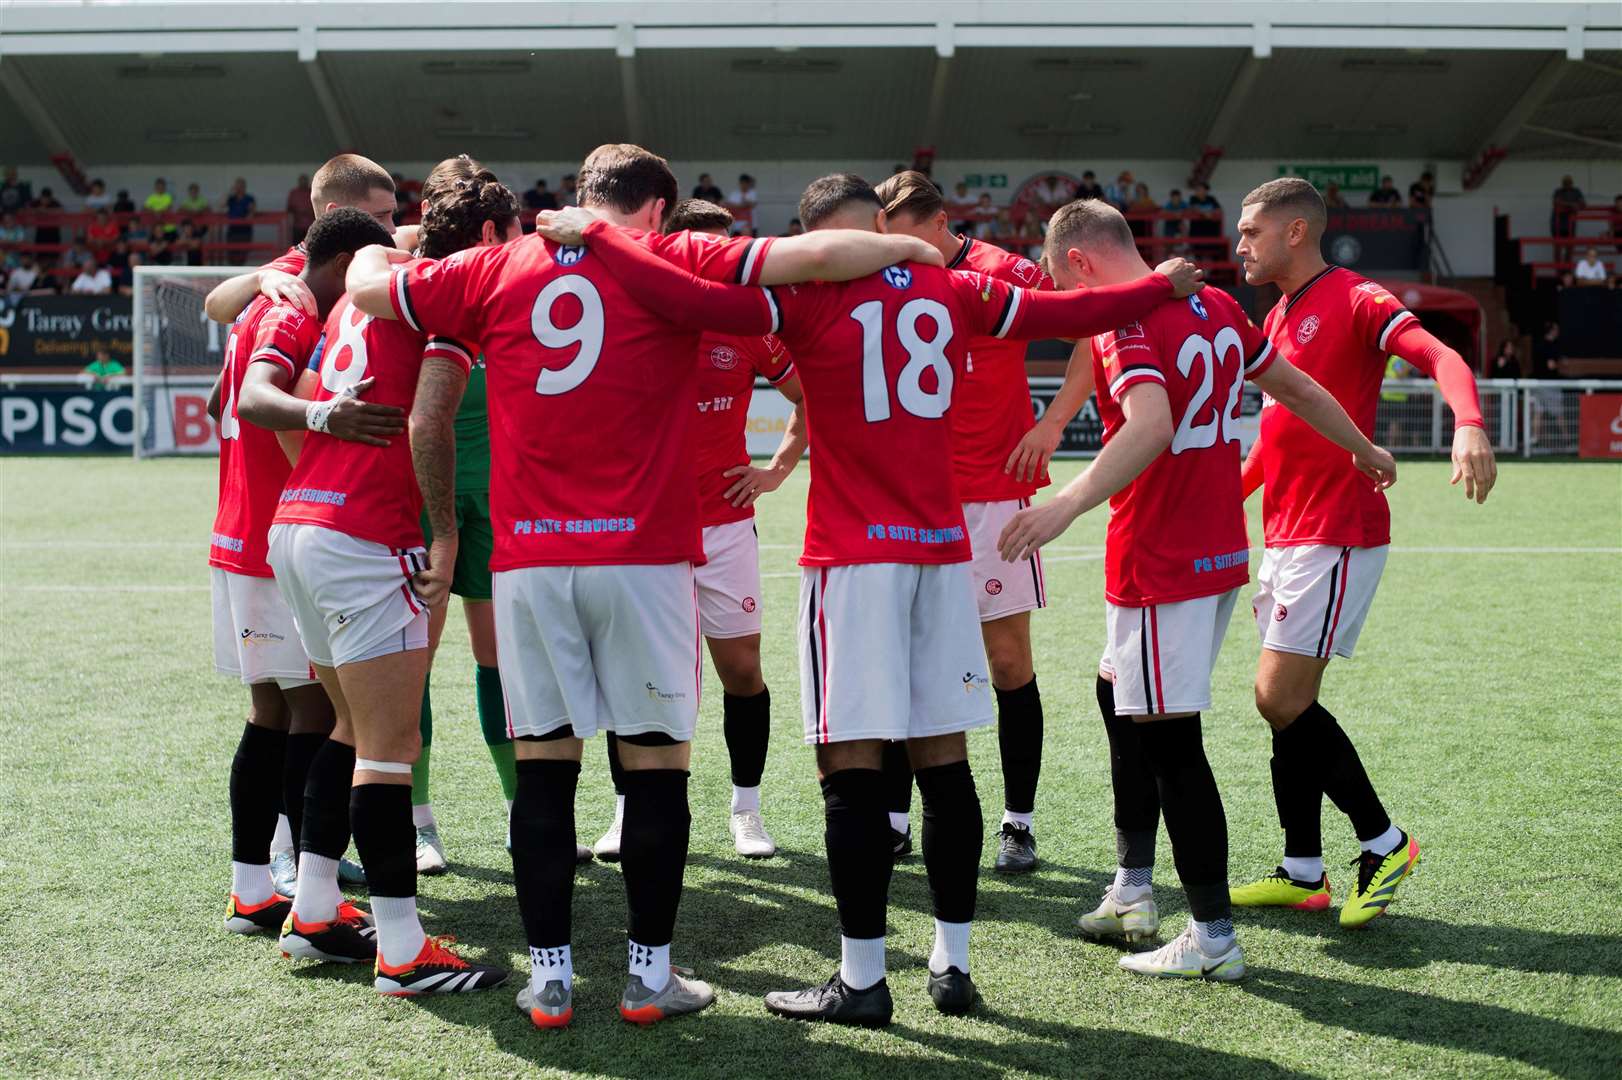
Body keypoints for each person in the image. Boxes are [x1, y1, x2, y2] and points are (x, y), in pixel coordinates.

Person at [373, 141, 937, 1029]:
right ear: (658, 210)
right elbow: (821, 255)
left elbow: (373, 285)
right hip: (642, 559)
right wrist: (910, 249)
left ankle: (550, 981)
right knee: (657, 768)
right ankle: (648, 977)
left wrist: (390, 239)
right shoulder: (671, 257)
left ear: (579, 196)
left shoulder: (492, 266)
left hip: (531, 564)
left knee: (548, 773)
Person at [640, 175, 1199, 1025]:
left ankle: (862, 982)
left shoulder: (802, 301)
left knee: (851, 769)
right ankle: (952, 968)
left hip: (852, 562)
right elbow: (1070, 317)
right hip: (942, 558)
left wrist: (598, 236)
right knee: (944, 765)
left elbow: (675, 287)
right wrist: (1160, 285)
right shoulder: (959, 285)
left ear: (817, 239)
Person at [998, 197, 1396, 981]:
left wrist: (1064, 506)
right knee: (1117, 693)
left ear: (1079, 262)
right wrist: (1365, 446)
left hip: (1160, 558)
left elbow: (1148, 425)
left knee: (1171, 745)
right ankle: (1133, 887)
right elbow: (1304, 389)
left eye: (1060, 278)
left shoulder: (1127, 322)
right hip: (1216, 552)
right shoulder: (1213, 302)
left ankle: (1211, 939)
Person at [240, 203, 512, 997]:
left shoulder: (366, 289)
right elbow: (428, 424)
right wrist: (444, 532)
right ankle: (402, 950)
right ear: (489, 242)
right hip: (364, 539)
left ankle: (316, 911)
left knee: (351, 730)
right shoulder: (443, 299)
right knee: (390, 750)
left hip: (299, 525)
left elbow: (292, 382)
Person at [1228, 177, 1495, 928]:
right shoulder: (1277, 314)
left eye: (1251, 231)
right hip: (1285, 532)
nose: (1239, 244)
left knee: (1279, 698)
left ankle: (1386, 842)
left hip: (1336, 530)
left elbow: (1439, 355)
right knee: (1287, 709)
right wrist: (1224, 503)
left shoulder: (1354, 297)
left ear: (1294, 233)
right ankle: (1302, 869)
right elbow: (1276, 440)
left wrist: (1469, 422)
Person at [592, 198, 809, 864]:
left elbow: (810, 399)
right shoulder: (632, 318)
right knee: (637, 677)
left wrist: (775, 469)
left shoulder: (747, 327)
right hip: (645, 533)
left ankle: (746, 809)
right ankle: (628, 810)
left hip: (724, 527)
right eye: (705, 253)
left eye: (727, 253)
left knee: (741, 670)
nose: (719, 267)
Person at [871, 170, 1073, 873]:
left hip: (994, 492)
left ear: (939, 224)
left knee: (1008, 662)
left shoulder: (1005, 273)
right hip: (910, 498)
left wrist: (1052, 422)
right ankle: (894, 820)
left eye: (902, 239)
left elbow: (1091, 326)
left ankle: (1018, 823)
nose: (892, 253)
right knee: (902, 661)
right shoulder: (883, 274)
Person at [209, 209, 397, 944]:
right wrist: (328, 425)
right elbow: (260, 407)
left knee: (277, 712)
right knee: (320, 714)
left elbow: (216, 327)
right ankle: (295, 886)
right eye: (383, 222)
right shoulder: (295, 303)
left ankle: (255, 886)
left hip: (246, 532)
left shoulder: (271, 289)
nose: (393, 237)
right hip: (272, 537)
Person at [402, 156, 584, 874]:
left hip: (504, 500)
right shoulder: (417, 289)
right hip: (427, 500)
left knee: (503, 662)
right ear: (486, 231)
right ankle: (417, 823)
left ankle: (521, 813)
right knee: (410, 663)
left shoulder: (510, 289)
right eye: (512, 233)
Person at [203, 153, 403, 327]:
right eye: (379, 217)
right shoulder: (299, 268)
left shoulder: (374, 249)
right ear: (336, 212)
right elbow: (214, 306)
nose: (392, 229)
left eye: (392, 215)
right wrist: (261, 278)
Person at [224, 178, 256, 246]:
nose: (239, 188)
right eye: (237, 186)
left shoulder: (249, 198)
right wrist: (229, 192)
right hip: (232, 229)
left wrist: (250, 216)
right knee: (231, 251)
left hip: (245, 230)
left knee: (243, 252)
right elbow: (221, 205)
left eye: (241, 186)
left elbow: (252, 211)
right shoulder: (231, 198)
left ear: (244, 187)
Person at [287, 174, 315, 243]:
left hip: (311, 225)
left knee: (311, 245)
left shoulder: (312, 192)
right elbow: (289, 208)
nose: (303, 182)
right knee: (297, 245)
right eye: (302, 180)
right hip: (297, 225)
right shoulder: (294, 193)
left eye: (305, 180)